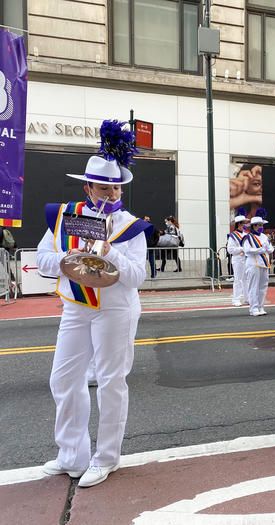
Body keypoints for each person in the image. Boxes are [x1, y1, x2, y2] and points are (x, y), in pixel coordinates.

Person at [37, 120, 152, 487]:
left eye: (115, 189)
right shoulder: (64, 217)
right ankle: (72, 454)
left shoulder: (130, 227)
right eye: (102, 187)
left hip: (115, 308)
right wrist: (69, 257)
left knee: (110, 381)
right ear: (87, 186)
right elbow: (41, 260)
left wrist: (111, 251)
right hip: (76, 306)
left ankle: (106, 458)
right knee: (64, 378)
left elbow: (137, 277)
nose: (109, 195)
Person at [243, 209, 274, 316]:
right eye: (258, 225)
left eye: (261, 225)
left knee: (263, 286)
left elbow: (270, 249)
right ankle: (253, 308)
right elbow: (247, 250)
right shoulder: (248, 237)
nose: (260, 227)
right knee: (253, 286)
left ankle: (261, 306)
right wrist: (260, 249)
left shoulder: (265, 237)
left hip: (264, 263)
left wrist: (267, 248)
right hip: (253, 263)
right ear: (253, 226)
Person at [226, 210, 250, 307]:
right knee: (238, 279)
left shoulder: (245, 234)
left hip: (245, 258)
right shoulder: (233, 235)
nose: (245, 224)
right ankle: (236, 299)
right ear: (239, 224)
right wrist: (242, 249)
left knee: (246, 279)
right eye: (243, 223)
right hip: (237, 259)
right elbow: (230, 250)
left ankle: (247, 298)